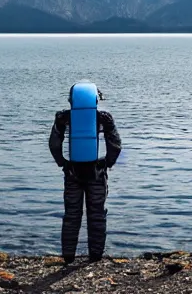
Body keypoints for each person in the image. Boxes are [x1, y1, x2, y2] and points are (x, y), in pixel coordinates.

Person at [49, 82, 122, 264]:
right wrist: (107, 163)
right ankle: (95, 256)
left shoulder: (63, 117)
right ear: (96, 99)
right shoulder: (104, 117)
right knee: (96, 214)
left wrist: (62, 163)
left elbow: (54, 144)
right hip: (96, 172)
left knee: (72, 215)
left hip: (73, 172)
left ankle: (68, 257)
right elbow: (115, 144)